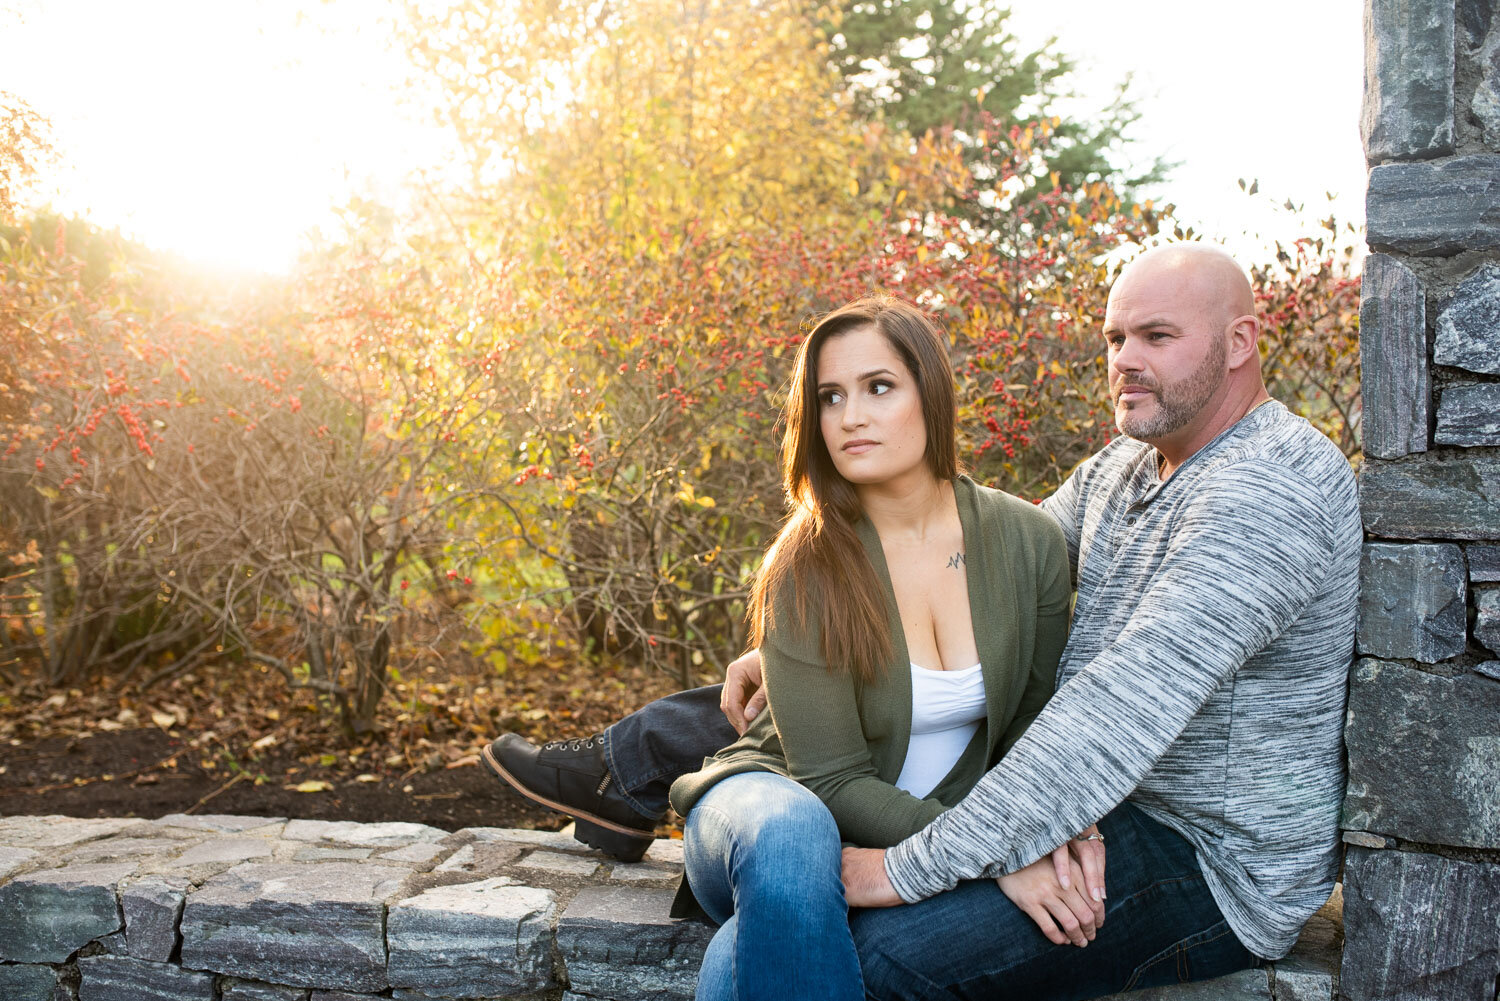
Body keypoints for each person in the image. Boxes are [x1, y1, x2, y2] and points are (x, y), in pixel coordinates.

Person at [485, 244, 1362, 999]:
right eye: (1114, 338)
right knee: (795, 929)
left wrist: (901, 867)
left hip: (1204, 851)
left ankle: (625, 775)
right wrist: (792, 640)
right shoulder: (1130, 467)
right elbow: (978, 564)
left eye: (1157, 337)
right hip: (1091, 798)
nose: (1125, 359)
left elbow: (1115, 714)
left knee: (847, 951)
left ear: (1241, 342)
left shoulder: (1269, 491)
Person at [492, 295, 1092, 1000]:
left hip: (916, 830)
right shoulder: (806, 561)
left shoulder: (1028, 542)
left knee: (742, 961)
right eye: (829, 397)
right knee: (795, 836)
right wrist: (985, 853)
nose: (850, 416)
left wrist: (997, 841)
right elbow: (830, 783)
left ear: (930, 391)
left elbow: (1031, 732)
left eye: (878, 387)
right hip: (768, 808)